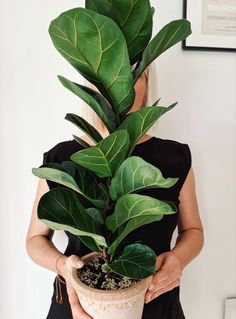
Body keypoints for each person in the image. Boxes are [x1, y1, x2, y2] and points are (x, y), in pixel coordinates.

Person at [26, 63, 204, 319]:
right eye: (111, 74)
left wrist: (177, 260)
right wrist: (62, 266)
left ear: (146, 85)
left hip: (155, 303)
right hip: (78, 307)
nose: (122, 85)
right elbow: (34, 240)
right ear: (94, 85)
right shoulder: (62, 160)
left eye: (134, 76)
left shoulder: (174, 158)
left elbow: (194, 231)